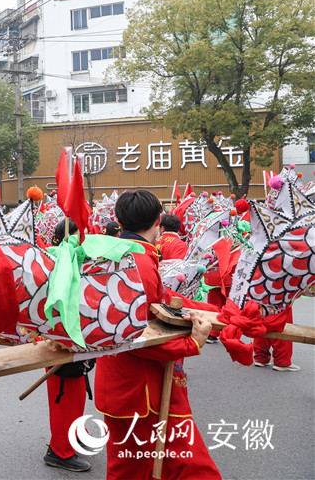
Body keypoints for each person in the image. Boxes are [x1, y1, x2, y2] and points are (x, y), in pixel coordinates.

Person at [97, 189, 220, 480]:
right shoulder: (138, 261)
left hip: (125, 384)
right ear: (158, 220)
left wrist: (222, 314)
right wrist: (193, 343)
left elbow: (162, 300)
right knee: (189, 470)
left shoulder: (117, 253)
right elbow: (132, 335)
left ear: (119, 220)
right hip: (140, 388)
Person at [43, 218, 93, 473]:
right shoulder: (55, 260)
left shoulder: (73, 259)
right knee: (64, 397)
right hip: (61, 341)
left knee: (76, 397)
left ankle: (76, 435)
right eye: (78, 235)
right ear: (67, 236)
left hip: (76, 341)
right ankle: (59, 450)